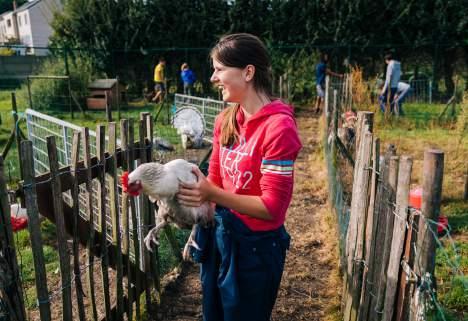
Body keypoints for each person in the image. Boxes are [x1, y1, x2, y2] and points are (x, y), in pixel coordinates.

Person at [177, 33, 302, 321]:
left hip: (256, 250)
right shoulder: (226, 120)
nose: (212, 78)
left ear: (248, 72)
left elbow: (273, 208)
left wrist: (212, 195)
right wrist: (193, 207)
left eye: (219, 69)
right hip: (222, 236)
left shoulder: (279, 128)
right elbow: (216, 180)